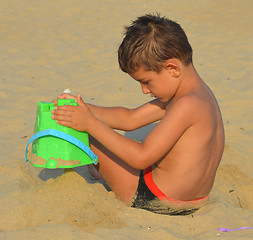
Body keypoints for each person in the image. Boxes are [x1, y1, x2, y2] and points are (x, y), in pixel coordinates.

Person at [51, 14, 225, 215]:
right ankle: (98, 166)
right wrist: (85, 109)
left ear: (172, 69)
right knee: (89, 124)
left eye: (146, 81)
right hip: (195, 199)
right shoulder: (200, 95)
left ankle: (96, 168)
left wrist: (89, 123)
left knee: (87, 134)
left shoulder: (186, 104)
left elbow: (141, 158)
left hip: (155, 198)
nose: (144, 90)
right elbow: (130, 119)